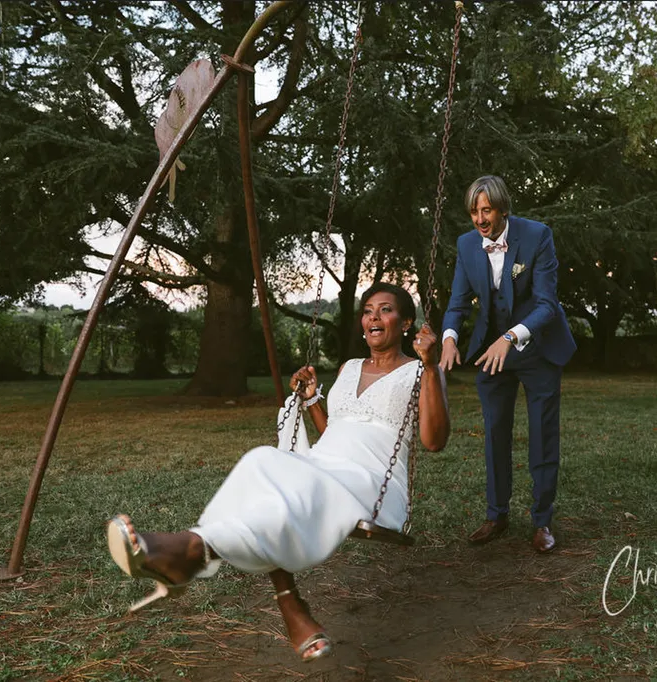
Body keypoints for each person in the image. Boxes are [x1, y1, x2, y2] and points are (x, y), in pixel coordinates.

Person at [107, 282, 450, 662]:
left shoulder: (420, 370)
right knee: (262, 461)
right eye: (368, 310)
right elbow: (335, 432)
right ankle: (279, 595)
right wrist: (312, 399)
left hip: (372, 480)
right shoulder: (349, 368)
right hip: (327, 464)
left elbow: (434, 441)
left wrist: (430, 366)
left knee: (291, 489)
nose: (374, 317)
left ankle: (191, 551)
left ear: (406, 323)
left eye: (385, 310)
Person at [439, 175, 575, 553]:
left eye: (487, 210)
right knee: (495, 432)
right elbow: (457, 302)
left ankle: (542, 521)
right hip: (491, 351)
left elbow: (547, 305)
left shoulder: (537, 236)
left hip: (537, 348)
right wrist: (449, 338)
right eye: (474, 211)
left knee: (542, 434)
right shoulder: (467, 244)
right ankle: (496, 516)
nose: (480, 219)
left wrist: (511, 337)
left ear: (503, 209)